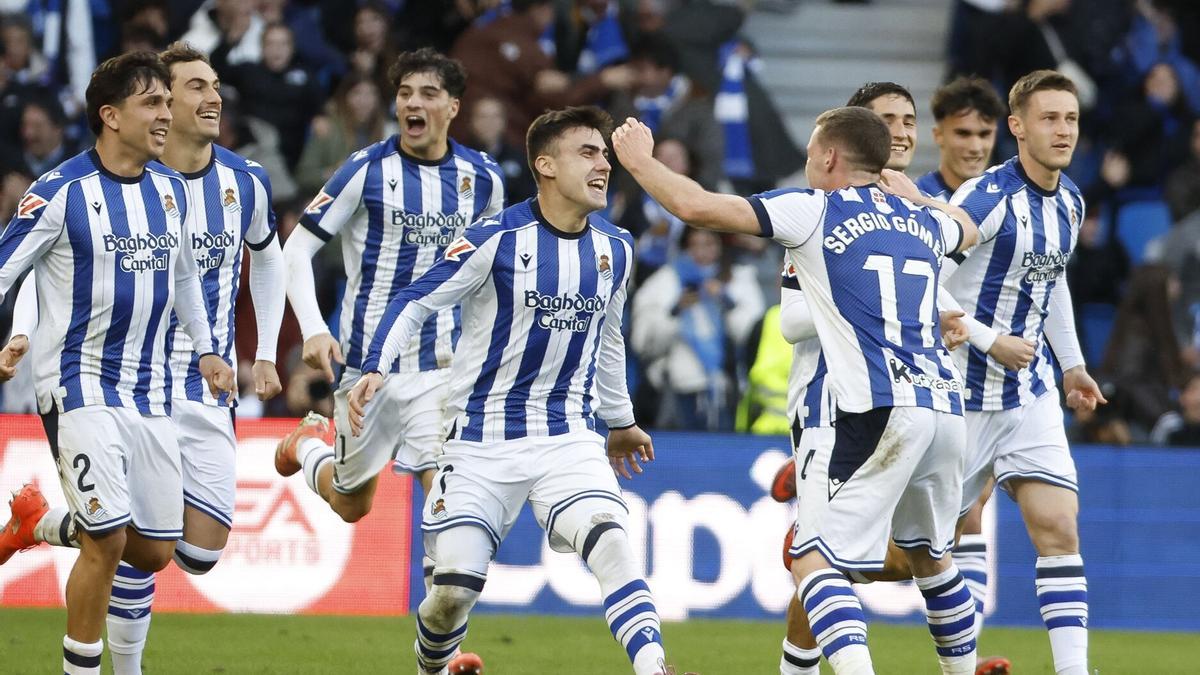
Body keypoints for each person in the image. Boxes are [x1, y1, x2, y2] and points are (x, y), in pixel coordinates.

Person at [614, 106, 981, 674]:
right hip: (945, 407)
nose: (809, 163)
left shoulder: (813, 210)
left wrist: (639, 161)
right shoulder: (922, 220)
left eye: (811, 153)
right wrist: (924, 199)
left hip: (878, 408)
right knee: (933, 562)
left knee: (814, 563)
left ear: (830, 156)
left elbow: (697, 207)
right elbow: (969, 228)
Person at [349, 106, 670, 675]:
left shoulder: (617, 247)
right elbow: (414, 298)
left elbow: (610, 337)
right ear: (545, 165)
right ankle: (431, 669)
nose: (604, 165)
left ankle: (653, 668)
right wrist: (377, 363)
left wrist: (619, 421)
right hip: (478, 441)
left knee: (612, 542)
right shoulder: (493, 240)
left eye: (605, 154)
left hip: (567, 436)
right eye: (588, 153)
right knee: (452, 593)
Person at [0, 51, 235, 675]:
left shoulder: (169, 192)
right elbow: (4, 270)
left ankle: (40, 525)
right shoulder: (59, 192)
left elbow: (186, 280)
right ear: (110, 116)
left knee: (154, 552)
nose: (167, 115)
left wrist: (208, 349)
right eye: (152, 103)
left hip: (152, 392)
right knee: (106, 542)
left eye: (167, 101)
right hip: (77, 385)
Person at [274, 48, 505, 593]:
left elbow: (490, 276)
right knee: (351, 502)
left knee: (444, 497)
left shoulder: (484, 178)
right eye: (404, 93)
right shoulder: (366, 168)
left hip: (441, 368)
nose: (412, 103)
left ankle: (440, 648)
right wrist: (312, 326)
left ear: (452, 106)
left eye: (427, 93)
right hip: (365, 366)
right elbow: (296, 250)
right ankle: (306, 446)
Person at [944, 70, 1106, 675]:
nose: (1063, 130)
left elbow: (1052, 280)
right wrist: (990, 340)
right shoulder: (984, 200)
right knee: (924, 553)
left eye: (1070, 118)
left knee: (1059, 526)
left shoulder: (1070, 200)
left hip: (1029, 395)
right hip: (958, 397)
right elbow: (925, 280)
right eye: (1049, 118)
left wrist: (1073, 366)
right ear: (1017, 127)